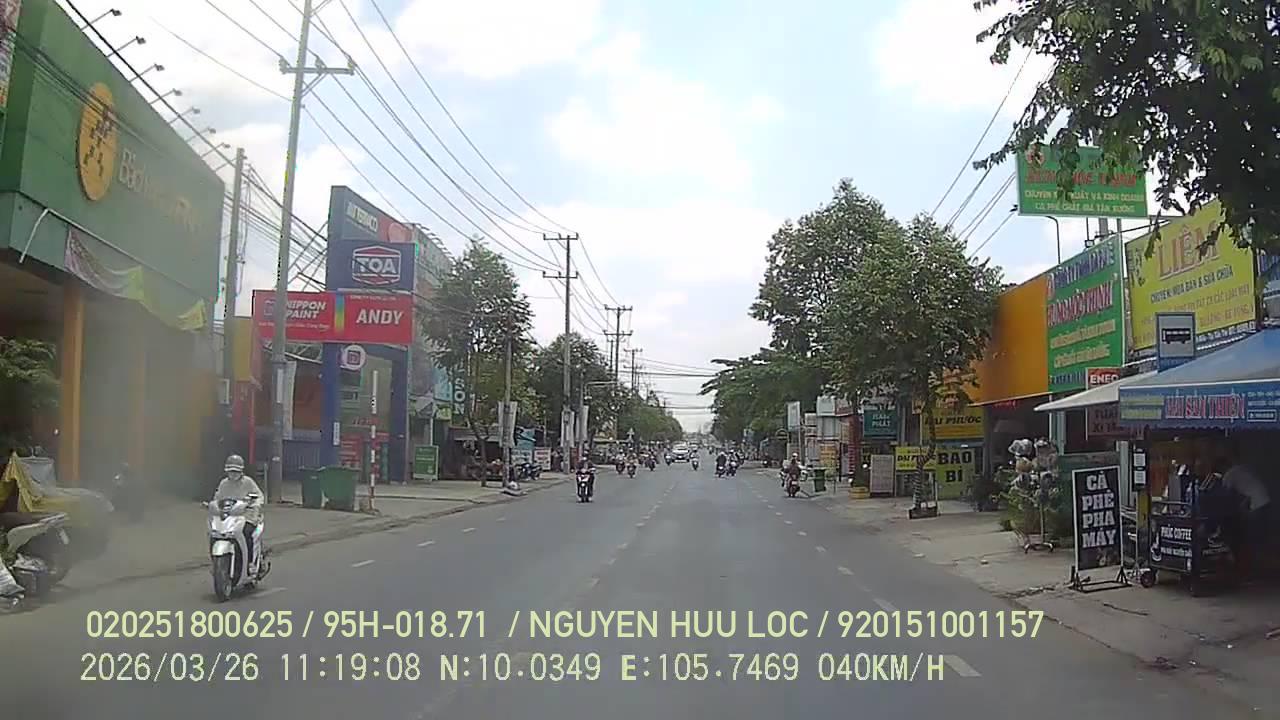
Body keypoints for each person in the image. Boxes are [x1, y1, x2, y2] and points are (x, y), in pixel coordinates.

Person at [211, 454, 264, 570]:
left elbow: (259, 496)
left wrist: (254, 504)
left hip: (246, 516)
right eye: (231, 471)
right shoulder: (224, 483)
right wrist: (214, 506)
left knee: (246, 533)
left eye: (236, 471)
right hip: (228, 517)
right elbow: (217, 498)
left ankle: (250, 564)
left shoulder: (248, 482)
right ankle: (215, 564)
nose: (233, 474)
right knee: (214, 533)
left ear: (241, 471)